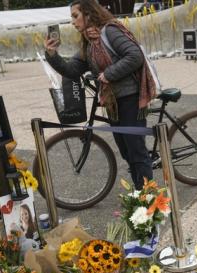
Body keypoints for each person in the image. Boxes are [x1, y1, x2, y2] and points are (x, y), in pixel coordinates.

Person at [44, 0, 156, 190]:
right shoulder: (89, 43)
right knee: (126, 150)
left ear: (88, 14)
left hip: (131, 98)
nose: (72, 21)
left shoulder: (109, 31)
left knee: (136, 150)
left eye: (75, 16)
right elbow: (72, 70)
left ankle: (148, 199)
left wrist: (108, 74)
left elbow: (135, 55)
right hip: (113, 102)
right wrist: (52, 54)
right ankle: (139, 189)